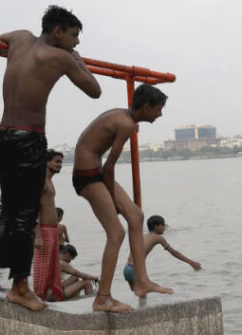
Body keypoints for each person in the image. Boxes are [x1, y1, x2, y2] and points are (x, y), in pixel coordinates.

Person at [0, 5, 102, 311]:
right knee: (25, 216)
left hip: (3, 135)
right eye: (74, 36)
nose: (77, 42)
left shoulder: (19, 38)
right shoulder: (61, 57)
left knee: (7, 212)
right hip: (29, 138)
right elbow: (94, 90)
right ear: (57, 32)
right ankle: (20, 288)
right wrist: (77, 59)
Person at [72, 84, 172, 313]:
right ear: (145, 107)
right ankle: (102, 298)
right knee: (116, 233)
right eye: (158, 108)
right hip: (88, 176)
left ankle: (142, 280)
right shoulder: (126, 124)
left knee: (136, 215)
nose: (160, 114)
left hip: (94, 171)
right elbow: (109, 168)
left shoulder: (124, 117)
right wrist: (112, 199)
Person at [123, 215, 202, 290]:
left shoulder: (142, 236)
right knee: (143, 292)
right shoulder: (158, 238)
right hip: (136, 269)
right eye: (163, 225)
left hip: (127, 268)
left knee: (139, 293)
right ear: (156, 226)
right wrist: (191, 262)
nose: (165, 227)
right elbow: (174, 252)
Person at [33, 149, 66, 301]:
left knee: (51, 270)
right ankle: (38, 300)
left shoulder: (49, 181)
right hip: (44, 231)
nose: (60, 164)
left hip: (52, 230)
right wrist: (38, 235)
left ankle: (45, 301)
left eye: (61, 162)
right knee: (42, 270)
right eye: (57, 161)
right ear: (46, 162)